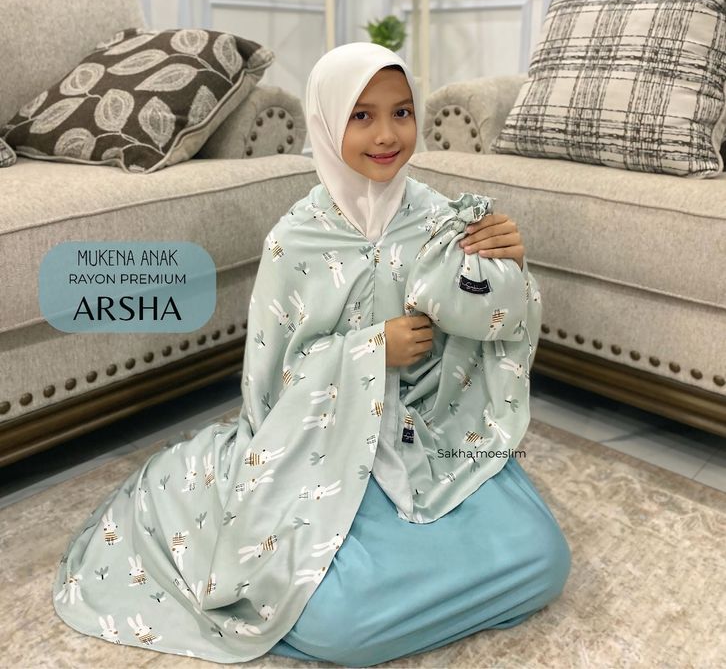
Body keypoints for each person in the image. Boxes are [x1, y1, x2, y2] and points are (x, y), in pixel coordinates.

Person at [53, 42, 571, 667]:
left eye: (402, 112)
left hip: (433, 438)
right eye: (361, 116)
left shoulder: (442, 219)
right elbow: (272, 391)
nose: (387, 135)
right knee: (336, 623)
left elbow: (498, 323)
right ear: (326, 122)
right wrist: (372, 351)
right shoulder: (295, 240)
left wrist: (506, 264)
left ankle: (408, 593)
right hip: (323, 446)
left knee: (543, 558)